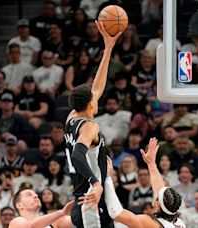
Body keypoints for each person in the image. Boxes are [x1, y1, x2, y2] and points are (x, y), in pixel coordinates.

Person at [64, 20, 121, 228]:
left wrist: (107, 50)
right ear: (90, 104)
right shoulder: (89, 127)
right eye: (94, 99)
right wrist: (96, 183)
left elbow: (97, 87)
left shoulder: (72, 117)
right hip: (90, 201)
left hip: (86, 199)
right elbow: (78, 154)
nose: (96, 98)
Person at [82, 137, 186, 228]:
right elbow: (160, 189)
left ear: (157, 204)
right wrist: (151, 163)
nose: (156, 190)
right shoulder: (179, 222)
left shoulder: (150, 224)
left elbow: (117, 213)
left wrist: (109, 177)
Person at [9, 187, 73, 228]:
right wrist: (61, 212)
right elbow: (30, 226)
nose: (35, 196)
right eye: (29, 194)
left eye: (35, 194)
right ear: (19, 205)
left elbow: (77, 222)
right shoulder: (16, 221)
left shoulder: (56, 222)